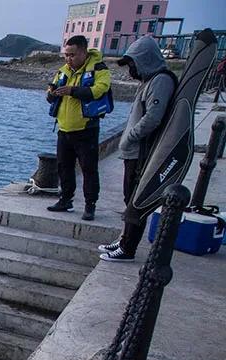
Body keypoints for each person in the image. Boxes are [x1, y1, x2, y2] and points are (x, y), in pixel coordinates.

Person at [99, 36, 176, 263]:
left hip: (141, 152)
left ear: (143, 60)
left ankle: (128, 248)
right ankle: (124, 240)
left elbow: (153, 118)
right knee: (129, 197)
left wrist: (129, 138)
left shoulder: (160, 81)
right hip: (135, 151)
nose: (130, 69)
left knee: (136, 200)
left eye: (132, 64)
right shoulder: (150, 80)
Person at [46, 35, 113, 221]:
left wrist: (72, 91)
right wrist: (51, 93)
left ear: (83, 52)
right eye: (66, 55)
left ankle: (90, 205)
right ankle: (65, 199)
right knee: (63, 167)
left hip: (86, 129)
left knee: (88, 169)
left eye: (72, 55)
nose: (68, 59)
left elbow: (100, 90)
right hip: (64, 128)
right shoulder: (63, 71)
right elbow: (50, 92)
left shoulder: (99, 69)